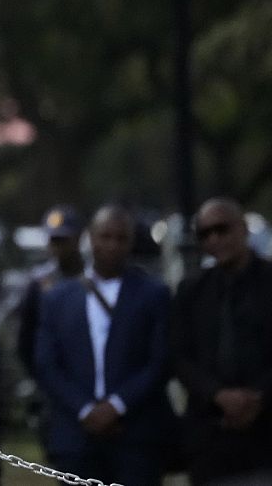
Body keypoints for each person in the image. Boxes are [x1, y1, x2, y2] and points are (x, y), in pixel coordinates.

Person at [34, 205, 173, 485]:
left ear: (131, 243)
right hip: (76, 439)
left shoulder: (153, 294)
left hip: (135, 437)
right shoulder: (58, 298)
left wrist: (117, 405)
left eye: (121, 238)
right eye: (105, 237)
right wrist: (85, 409)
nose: (112, 245)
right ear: (90, 238)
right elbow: (47, 363)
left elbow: (160, 361)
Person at [170, 197, 272, 484]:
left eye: (222, 229)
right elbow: (179, 355)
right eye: (205, 233)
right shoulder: (192, 290)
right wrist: (218, 395)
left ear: (243, 228)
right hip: (210, 438)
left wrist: (257, 397)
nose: (214, 239)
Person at [16, 205, 85, 375]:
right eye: (53, 240)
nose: (57, 247)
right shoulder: (39, 283)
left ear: (77, 239)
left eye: (62, 240)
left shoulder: (93, 278)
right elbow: (26, 337)